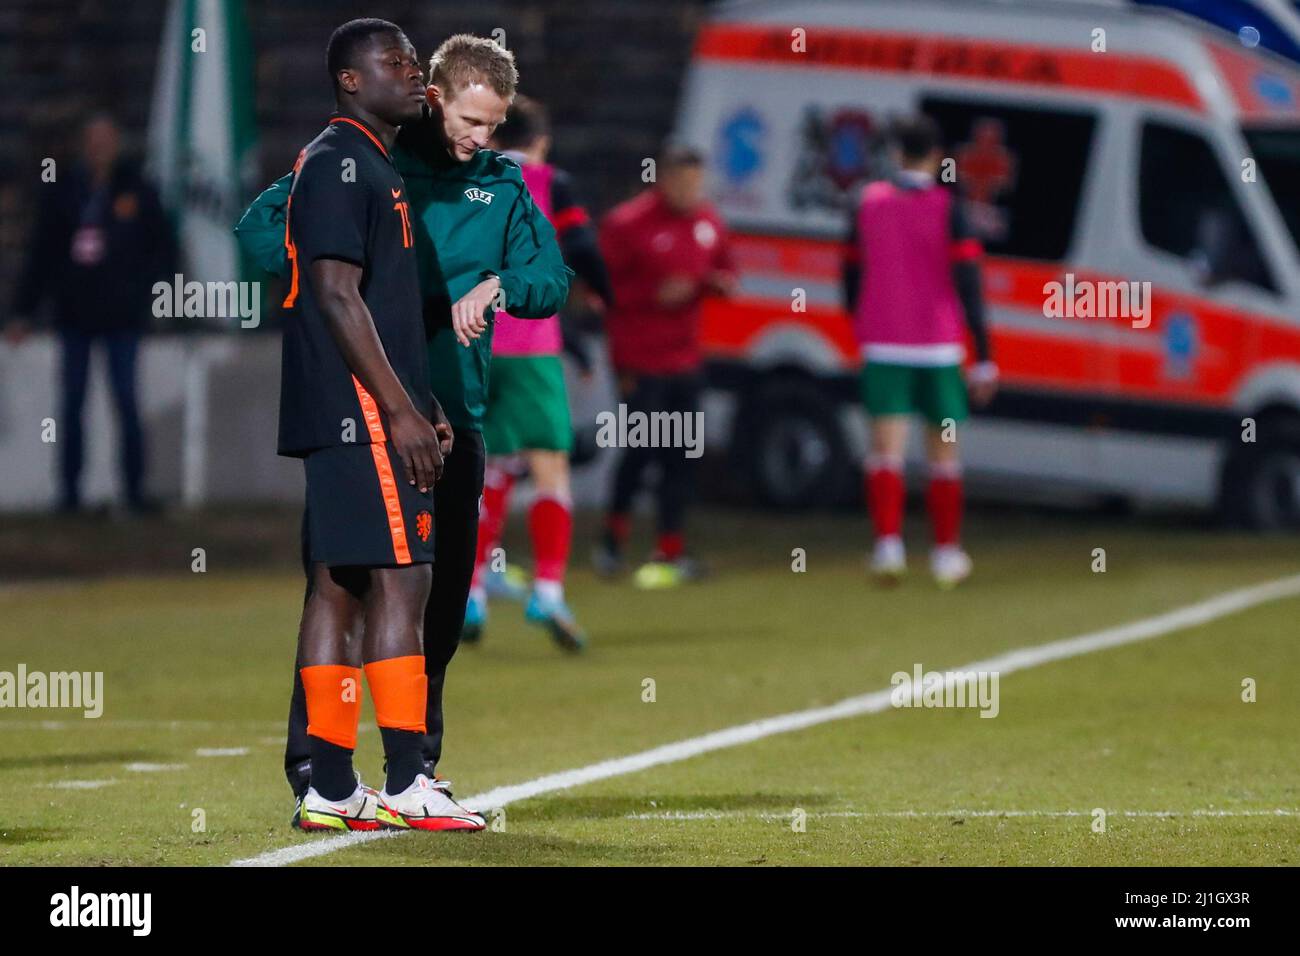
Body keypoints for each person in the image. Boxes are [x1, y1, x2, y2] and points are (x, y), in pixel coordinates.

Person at [235, 32, 570, 819]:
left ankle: (413, 764)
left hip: (457, 414)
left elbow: (552, 279)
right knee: (346, 587)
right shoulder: (368, 163)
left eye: (494, 125)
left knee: (435, 605)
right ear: (436, 99)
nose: (481, 138)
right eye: (470, 120)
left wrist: (498, 285)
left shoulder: (502, 185)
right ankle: (320, 769)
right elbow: (261, 230)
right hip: (375, 409)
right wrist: (347, 290)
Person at [279, 18, 486, 832]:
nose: (413, 73)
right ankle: (407, 779)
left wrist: (420, 399)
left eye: (413, 59)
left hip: (352, 405)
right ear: (349, 80)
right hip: (360, 411)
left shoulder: (365, 161)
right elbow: (334, 294)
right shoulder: (341, 161)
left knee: (340, 587)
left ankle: (330, 787)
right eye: (394, 62)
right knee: (405, 579)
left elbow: (375, 304)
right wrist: (398, 409)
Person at [463, 94, 613, 650]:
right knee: (549, 464)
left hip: (472, 342)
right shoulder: (550, 182)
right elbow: (582, 245)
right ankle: (547, 589)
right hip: (528, 345)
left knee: (491, 468)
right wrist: (603, 293)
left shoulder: (465, 182)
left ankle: (471, 590)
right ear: (541, 142)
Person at [841, 113, 998, 589]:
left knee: (885, 451)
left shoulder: (866, 203)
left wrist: (863, 320)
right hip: (938, 346)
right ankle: (946, 553)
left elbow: (850, 273)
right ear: (937, 157)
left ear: (895, 154)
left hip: (884, 342)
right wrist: (984, 354)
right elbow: (969, 284)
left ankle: (888, 547)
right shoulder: (949, 208)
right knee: (943, 454)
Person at [8, 114, 173, 514]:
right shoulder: (63, 190)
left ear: (117, 143)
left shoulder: (138, 189)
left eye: (106, 139)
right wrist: (23, 311)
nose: (99, 147)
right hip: (74, 317)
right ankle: (69, 495)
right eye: (93, 139)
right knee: (72, 405)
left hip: (122, 317)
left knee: (127, 402)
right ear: (84, 144)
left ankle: (133, 493)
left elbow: (162, 248)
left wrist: (149, 295)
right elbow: (42, 255)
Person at [594, 143, 736, 588]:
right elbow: (597, 290)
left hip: (685, 359)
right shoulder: (627, 224)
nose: (691, 191)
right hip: (639, 359)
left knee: (682, 454)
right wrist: (651, 296)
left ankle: (669, 551)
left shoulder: (708, 221)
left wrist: (717, 284)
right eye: (683, 182)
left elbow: (727, 269)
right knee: (641, 450)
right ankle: (612, 543)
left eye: (697, 182)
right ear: (662, 179)